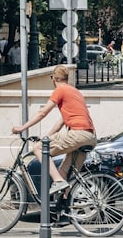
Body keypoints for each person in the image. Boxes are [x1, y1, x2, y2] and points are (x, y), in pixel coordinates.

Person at [11, 65, 97, 193]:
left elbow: (42, 113)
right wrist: (47, 136)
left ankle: (58, 181)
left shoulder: (60, 90)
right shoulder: (75, 92)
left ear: (53, 79)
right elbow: (61, 122)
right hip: (90, 137)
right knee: (65, 172)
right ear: (67, 78)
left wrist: (22, 128)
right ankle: (64, 206)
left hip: (78, 134)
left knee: (38, 148)